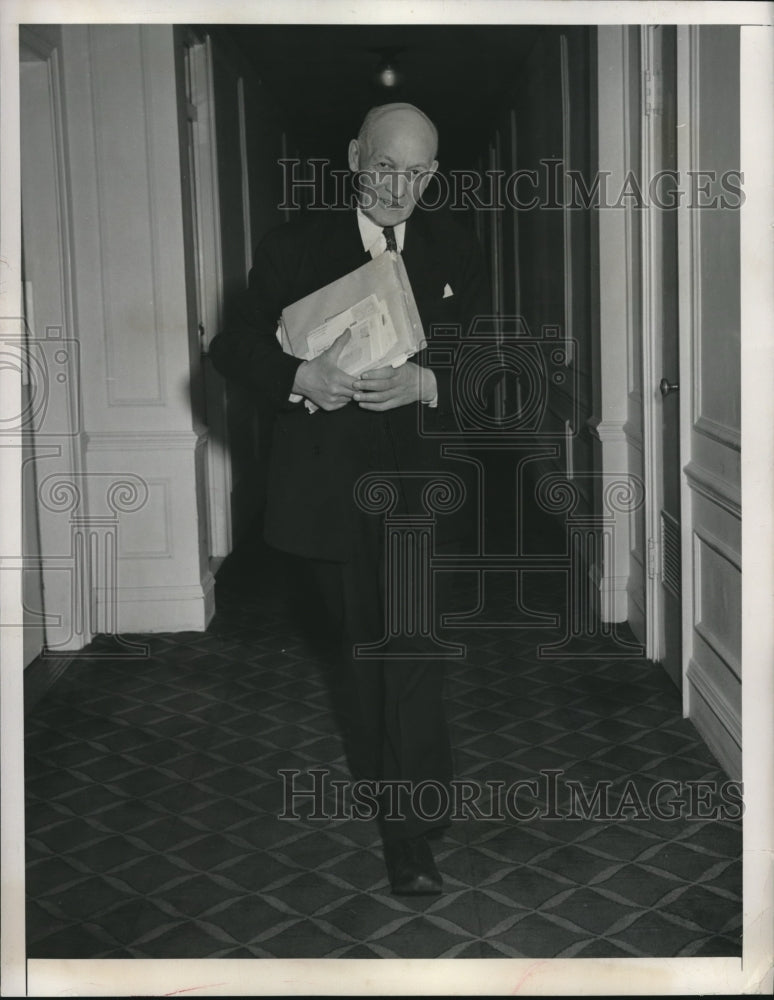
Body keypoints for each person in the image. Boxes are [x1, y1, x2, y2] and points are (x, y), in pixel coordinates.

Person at [210, 102, 489, 894]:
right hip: (326, 493)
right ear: (354, 158)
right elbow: (234, 346)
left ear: (435, 175)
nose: (401, 186)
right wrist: (300, 376)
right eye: (386, 167)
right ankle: (403, 797)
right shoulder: (295, 246)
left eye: (419, 172)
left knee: (407, 649)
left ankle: (407, 827)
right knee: (367, 654)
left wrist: (429, 378)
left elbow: (485, 360)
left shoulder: (456, 248)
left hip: (420, 493)